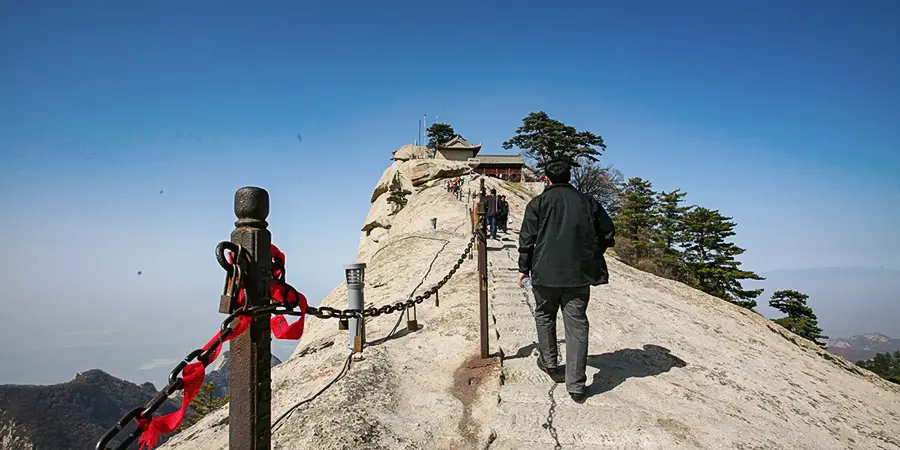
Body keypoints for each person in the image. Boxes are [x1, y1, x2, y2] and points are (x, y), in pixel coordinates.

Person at [517, 160, 615, 404]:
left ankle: (550, 364)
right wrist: (590, 253)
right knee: (577, 325)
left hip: (545, 272)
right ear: (569, 177)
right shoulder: (588, 202)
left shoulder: (538, 203)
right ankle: (577, 386)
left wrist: (523, 269)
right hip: (578, 274)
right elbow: (608, 233)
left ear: (546, 179)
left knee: (544, 315)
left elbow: (527, 239)